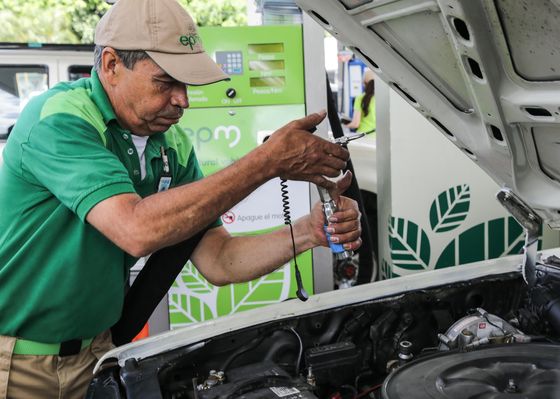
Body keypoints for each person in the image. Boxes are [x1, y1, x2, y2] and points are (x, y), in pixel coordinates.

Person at [0, 0, 362, 397]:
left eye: (186, 84)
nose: (183, 101)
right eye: (165, 82)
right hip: (16, 361)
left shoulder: (171, 145)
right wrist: (266, 162)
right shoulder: (59, 119)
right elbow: (135, 229)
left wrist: (308, 232)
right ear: (110, 65)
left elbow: (219, 261)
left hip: (98, 353)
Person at [344, 69, 376, 134]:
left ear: (364, 83)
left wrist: (344, 126)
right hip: (376, 136)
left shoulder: (360, 98)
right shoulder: (380, 98)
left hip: (363, 136)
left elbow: (355, 124)